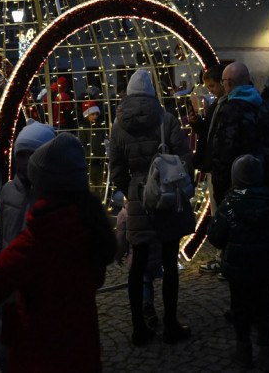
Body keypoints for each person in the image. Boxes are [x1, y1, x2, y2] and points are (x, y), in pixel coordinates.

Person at [0, 133, 117, 373]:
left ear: (43, 184)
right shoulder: (92, 226)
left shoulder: (38, 238)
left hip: (40, 352)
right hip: (82, 348)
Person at [108, 68, 195, 346]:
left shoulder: (118, 125)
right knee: (170, 261)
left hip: (138, 199)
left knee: (138, 264)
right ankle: (170, 324)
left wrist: (133, 189)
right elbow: (184, 157)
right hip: (167, 197)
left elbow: (116, 169)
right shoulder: (166, 119)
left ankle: (138, 328)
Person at [0, 119, 55, 372]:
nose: (26, 161)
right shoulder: (8, 192)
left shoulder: (54, 195)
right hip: (10, 286)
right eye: (22, 155)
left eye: (33, 155)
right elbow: (1, 237)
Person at [208, 154, 269, 372]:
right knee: (264, 307)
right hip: (264, 265)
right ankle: (267, 351)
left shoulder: (229, 204)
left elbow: (216, 237)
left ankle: (243, 349)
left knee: (239, 308)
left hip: (237, 267)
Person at [208, 62, 269, 207]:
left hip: (237, 189)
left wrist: (221, 192)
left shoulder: (229, 110)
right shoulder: (264, 107)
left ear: (228, 82)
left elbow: (223, 153)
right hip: (263, 185)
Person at [114, 197, 163, 332]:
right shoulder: (153, 206)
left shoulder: (125, 214)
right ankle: (149, 305)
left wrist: (118, 255)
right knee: (147, 282)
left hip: (137, 255)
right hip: (154, 253)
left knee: (141, 281)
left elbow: (121, 238)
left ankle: (146, 307)